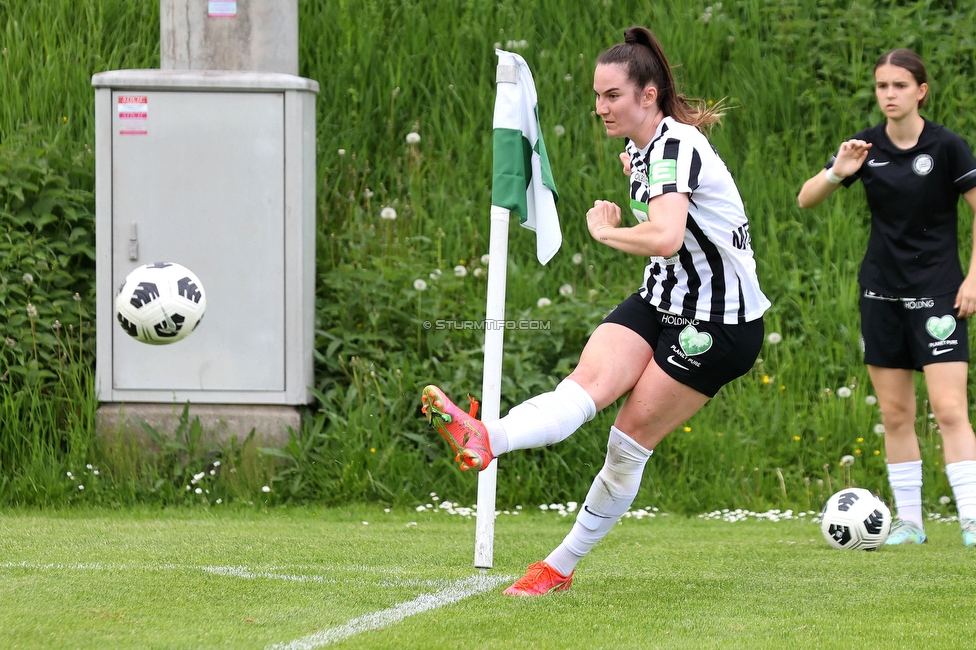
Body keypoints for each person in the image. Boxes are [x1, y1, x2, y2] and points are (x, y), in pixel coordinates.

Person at [421, 26, 770, 596]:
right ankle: (485, 437)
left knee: (625, 444)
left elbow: (665, 236)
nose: (600, 107)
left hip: (720, 324)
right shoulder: (641, 148)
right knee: (581, 388)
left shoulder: (676, 146)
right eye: (597, 95)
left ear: (647, 96)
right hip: (660, 300)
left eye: (612, 96)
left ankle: (558, 565)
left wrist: (609, 232)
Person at [797, 49, 976, 547]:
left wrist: (973, 278)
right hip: (881, 295)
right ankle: (911, 525)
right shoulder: (864, 146)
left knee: (948, 410)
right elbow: (805, 198)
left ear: (921, 90)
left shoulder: (947, 147)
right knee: (895, 415)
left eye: (900, 85)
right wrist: (838, 170)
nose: (890, 94)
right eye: (882, 86)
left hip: (940, 294)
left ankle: (971, 519)